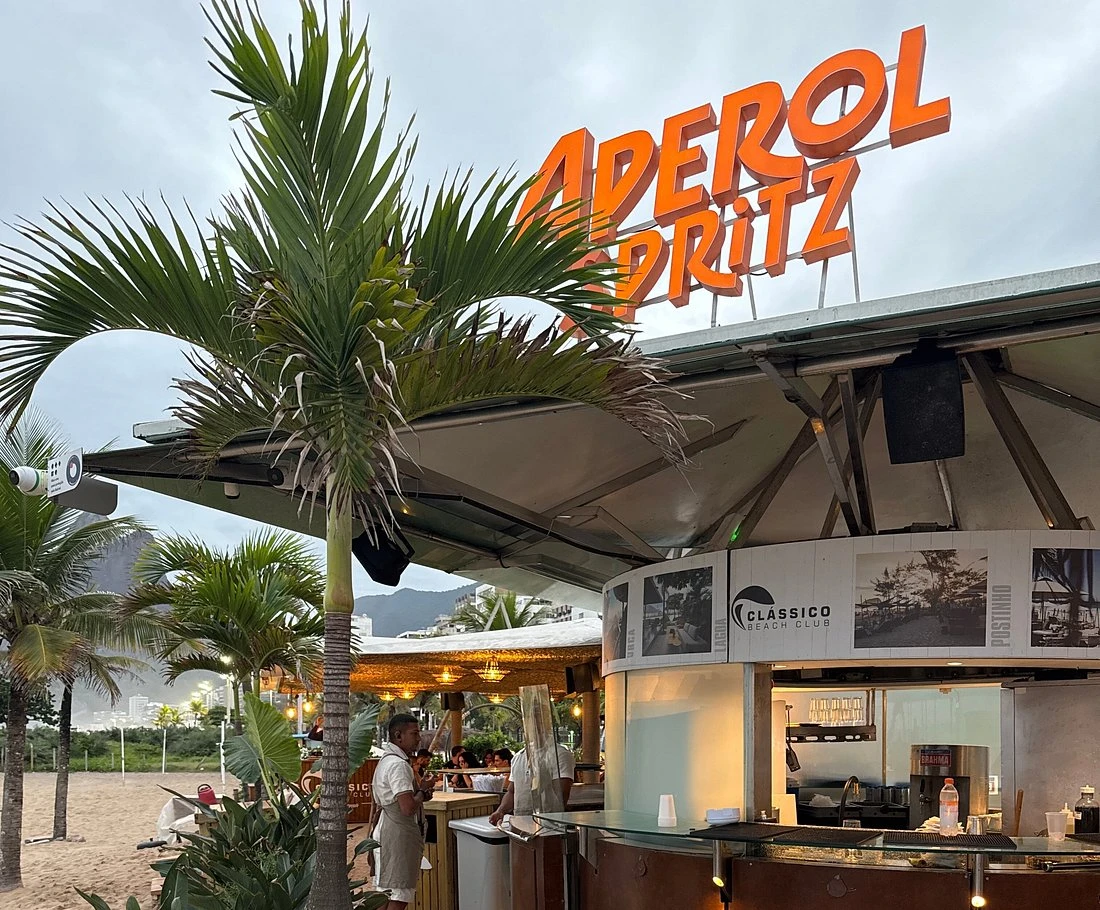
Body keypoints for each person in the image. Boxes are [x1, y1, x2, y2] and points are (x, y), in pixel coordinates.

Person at [371, 713, 437, 910]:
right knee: (398, 895)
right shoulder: (398, 765)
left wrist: (421, 793)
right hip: (396, 836)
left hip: (390, 832)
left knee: (386, 894)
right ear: (398, 736)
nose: (419, 739)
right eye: (414, 733)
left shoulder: (388, 761)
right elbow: (407, 807)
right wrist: (423, 790)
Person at [489, 742, 574, 825]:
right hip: (519, 822)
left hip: (548, 824)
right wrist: (500, 811)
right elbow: (511, 792)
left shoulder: (560, 754)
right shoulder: (518, 757)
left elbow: (561, 794)